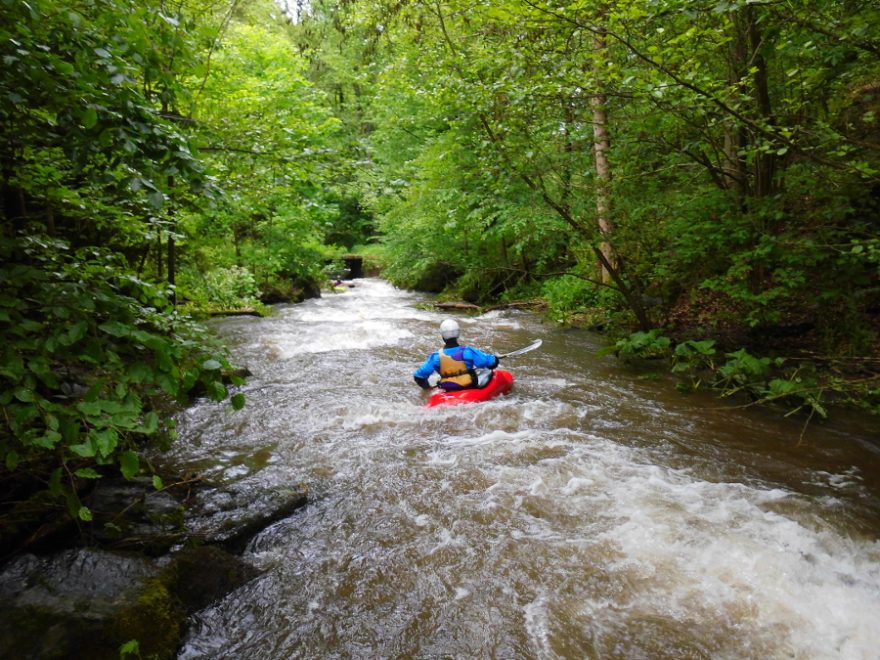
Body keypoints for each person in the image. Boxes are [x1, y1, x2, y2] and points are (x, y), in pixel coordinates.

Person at [413, 319, 499, 391]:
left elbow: (418, 376)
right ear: (458, 334)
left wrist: (427, 388)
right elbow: (490, 363)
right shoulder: (468, 351)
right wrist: (494, 359)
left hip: (448, 390)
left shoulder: (436, 357)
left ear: (442, 336)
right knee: (489, 372)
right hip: (468, 387)